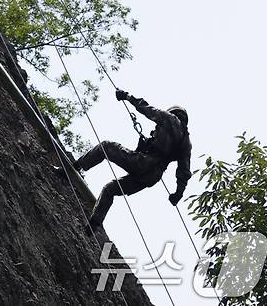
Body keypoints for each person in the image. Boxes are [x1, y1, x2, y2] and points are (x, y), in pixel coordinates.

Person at [75, 89, 192, 230]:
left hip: (143, 163)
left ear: (173, 113)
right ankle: (94, 225)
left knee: (105, 147)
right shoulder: (186, 142)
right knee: (110, 189)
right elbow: (184, 171)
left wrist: (127, 96)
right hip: (152, 177)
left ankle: (74, 167)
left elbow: (147, 109)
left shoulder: (170, 118)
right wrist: (178, 193)